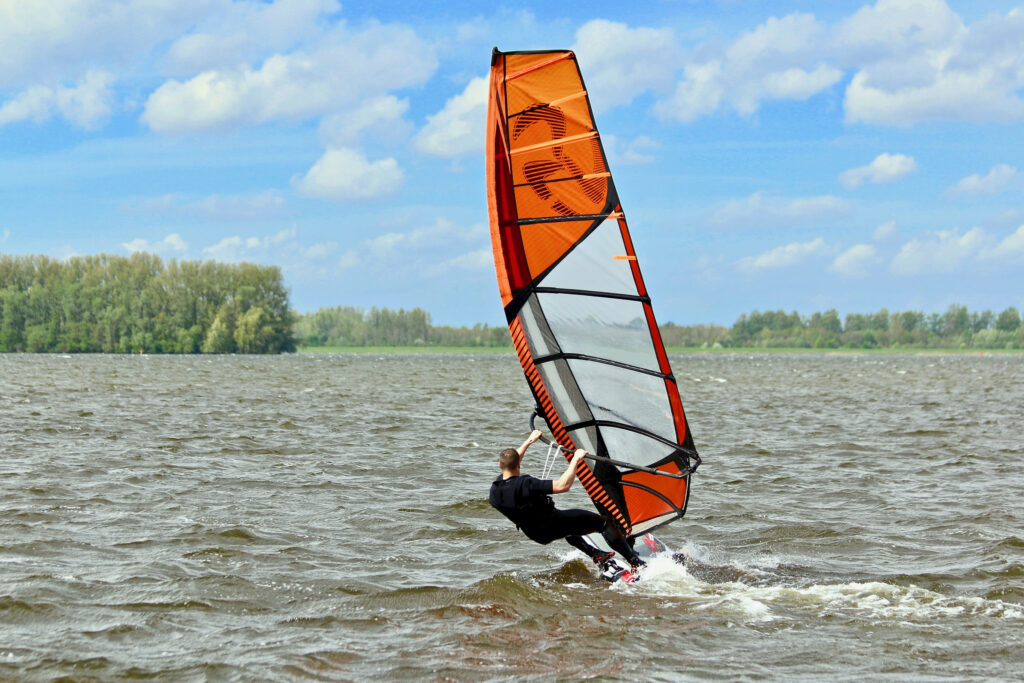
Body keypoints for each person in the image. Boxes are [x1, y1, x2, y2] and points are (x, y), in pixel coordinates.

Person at [489, 429, 644, 574]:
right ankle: (635, 562)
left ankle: (596, 555)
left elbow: (513, 463)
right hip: (553, 524)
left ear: (499, 465)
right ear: (518, 465)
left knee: (569, 527)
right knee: (604, 523)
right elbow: (563, 486)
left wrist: (529, 441)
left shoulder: (495, 492)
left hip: (535, 534)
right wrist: (576, 459)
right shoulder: (527, 484)